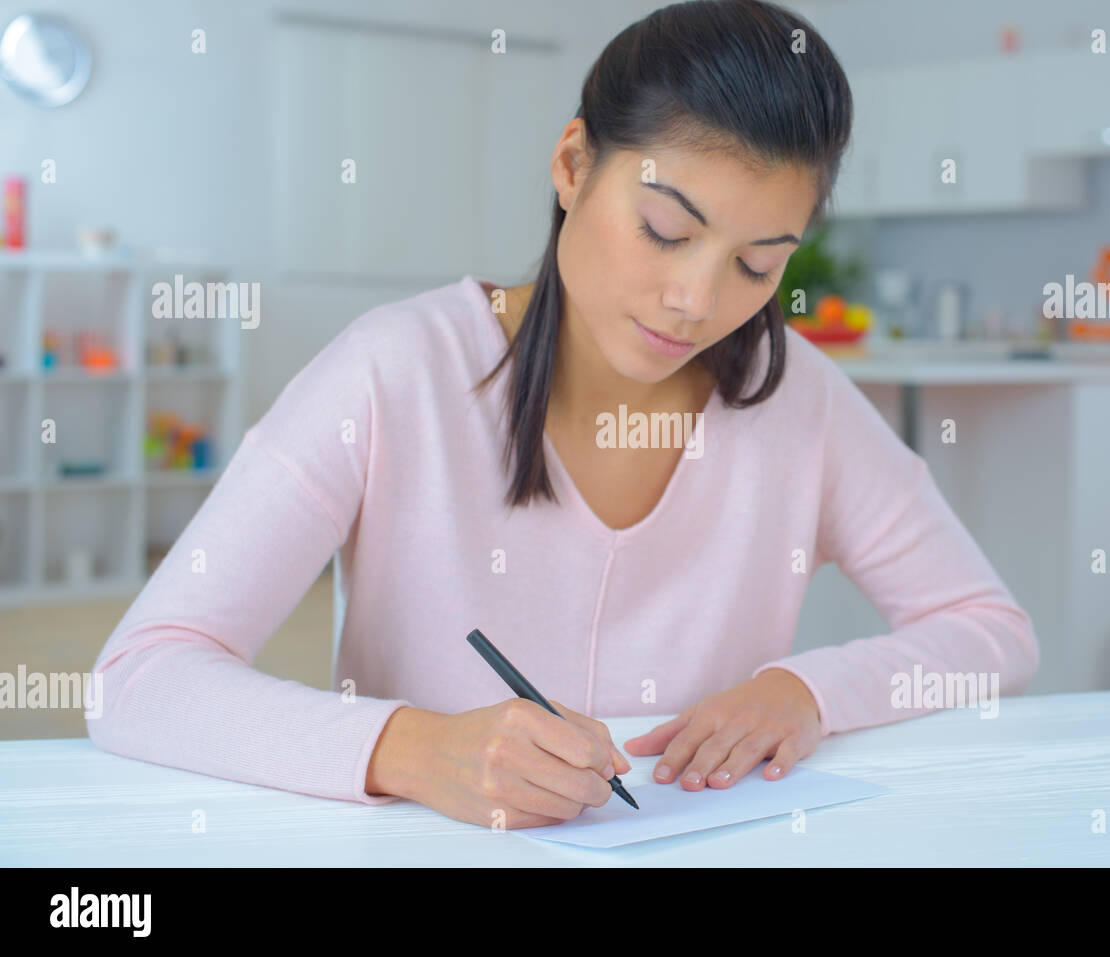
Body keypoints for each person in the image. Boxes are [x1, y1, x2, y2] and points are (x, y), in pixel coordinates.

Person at [89, 0, 1038, 830]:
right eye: (667, 231)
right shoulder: (396, 370)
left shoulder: (804, 399)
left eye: (757, 264)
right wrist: (412, 748)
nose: (695, 300)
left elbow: (989, 628)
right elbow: (142, 677)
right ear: (574, 163)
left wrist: (808, 692)